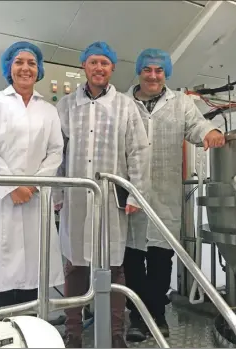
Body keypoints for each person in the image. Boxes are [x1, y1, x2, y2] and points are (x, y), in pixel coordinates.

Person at [124, 48, 226, 342]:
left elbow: (196, 125)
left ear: (165, 73)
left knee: (160, 259)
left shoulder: (180, 103)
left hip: (165, 193)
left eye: (158, 70)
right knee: (131, 260)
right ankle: (136, 317)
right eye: (147, 70)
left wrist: (210, 132)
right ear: (139, 72)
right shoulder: (123, 102)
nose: (153, 75)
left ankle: (156, 315)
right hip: (130, 193)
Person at [54, 41, 150, 348]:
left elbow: (138, 152)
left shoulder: (125, 105)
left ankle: (115, 335)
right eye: (93, 62)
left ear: (112, 69)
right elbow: (57, 153)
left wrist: (135, 194)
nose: (99, 68)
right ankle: (73, 334)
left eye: (104, 63)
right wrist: (58, 193)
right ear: (84, 66)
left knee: (113, 266)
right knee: (76, 267)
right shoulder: (66, 105)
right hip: (77, 199)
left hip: (111, 199)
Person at [0, 41, 65, 310]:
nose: (26, 68)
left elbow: (55, 151)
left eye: (32, 63)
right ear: (8, 68)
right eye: (19, 62)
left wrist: (32, 186)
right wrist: (12, 186)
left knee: (32, 277)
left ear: (39, 70)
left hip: (35, 199)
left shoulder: (48, 110)